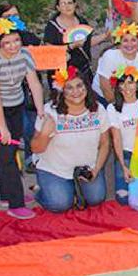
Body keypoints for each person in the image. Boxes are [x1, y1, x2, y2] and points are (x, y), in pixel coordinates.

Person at [0, 16, 45, 219]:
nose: (13, 46)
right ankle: (15, 203)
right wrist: (2, 128)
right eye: (7, 43)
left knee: (10, 150)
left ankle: (6, 193)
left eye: (16, 41)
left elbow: (34, 83)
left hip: (15, 105)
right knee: (7, 153)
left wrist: (40, 110)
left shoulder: (25, 55)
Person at [31, 67, 109, 213]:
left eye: (79, 86)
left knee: (96, 199)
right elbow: (36, 148)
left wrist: (96, 170)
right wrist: (45, 133)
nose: (76, 92)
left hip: (87, 167)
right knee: (59, 205)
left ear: (86, 87)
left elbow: (105, 143)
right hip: (55, 169)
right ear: (61, 91)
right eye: (69, 88)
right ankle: (39, 191)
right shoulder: (49, 111)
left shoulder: (98, 109)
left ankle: (72, 188)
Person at [0, 3, 42, 173]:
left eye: (16, 15)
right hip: (4, 95)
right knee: (13, 130)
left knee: (31, 126)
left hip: (28, 91)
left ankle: (31, 159)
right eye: (9, 17)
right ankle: (10, 165)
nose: (13, 19)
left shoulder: (28, 36)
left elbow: (42, 54)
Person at [43, 0, 110, 85]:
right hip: (62, 74)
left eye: (70, 3)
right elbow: (50, 50)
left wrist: (104, 36)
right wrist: (71, 46)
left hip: (83, 70)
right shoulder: (52, 26)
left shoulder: (82, 22)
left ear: (75, 5)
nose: (67, 6)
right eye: (63, 3)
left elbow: (87, 43)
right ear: (58, 7)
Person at [106, 66, 138, 206]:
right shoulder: (112, 108)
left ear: (137, 85)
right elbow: (116, 138)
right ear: (117, 87)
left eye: (130, 82)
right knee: (123, 198)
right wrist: (123, 165)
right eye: (122, 83)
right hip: (126, 154)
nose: (126, 87)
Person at [93, 22, 138, 104]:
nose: (129, 44)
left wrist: (134, 104)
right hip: (104, 96)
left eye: (133, 40)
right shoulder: (109, 56)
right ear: (119, 42)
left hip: (130, 96)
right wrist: (117, 107)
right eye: (125, 40)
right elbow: (105, 88)